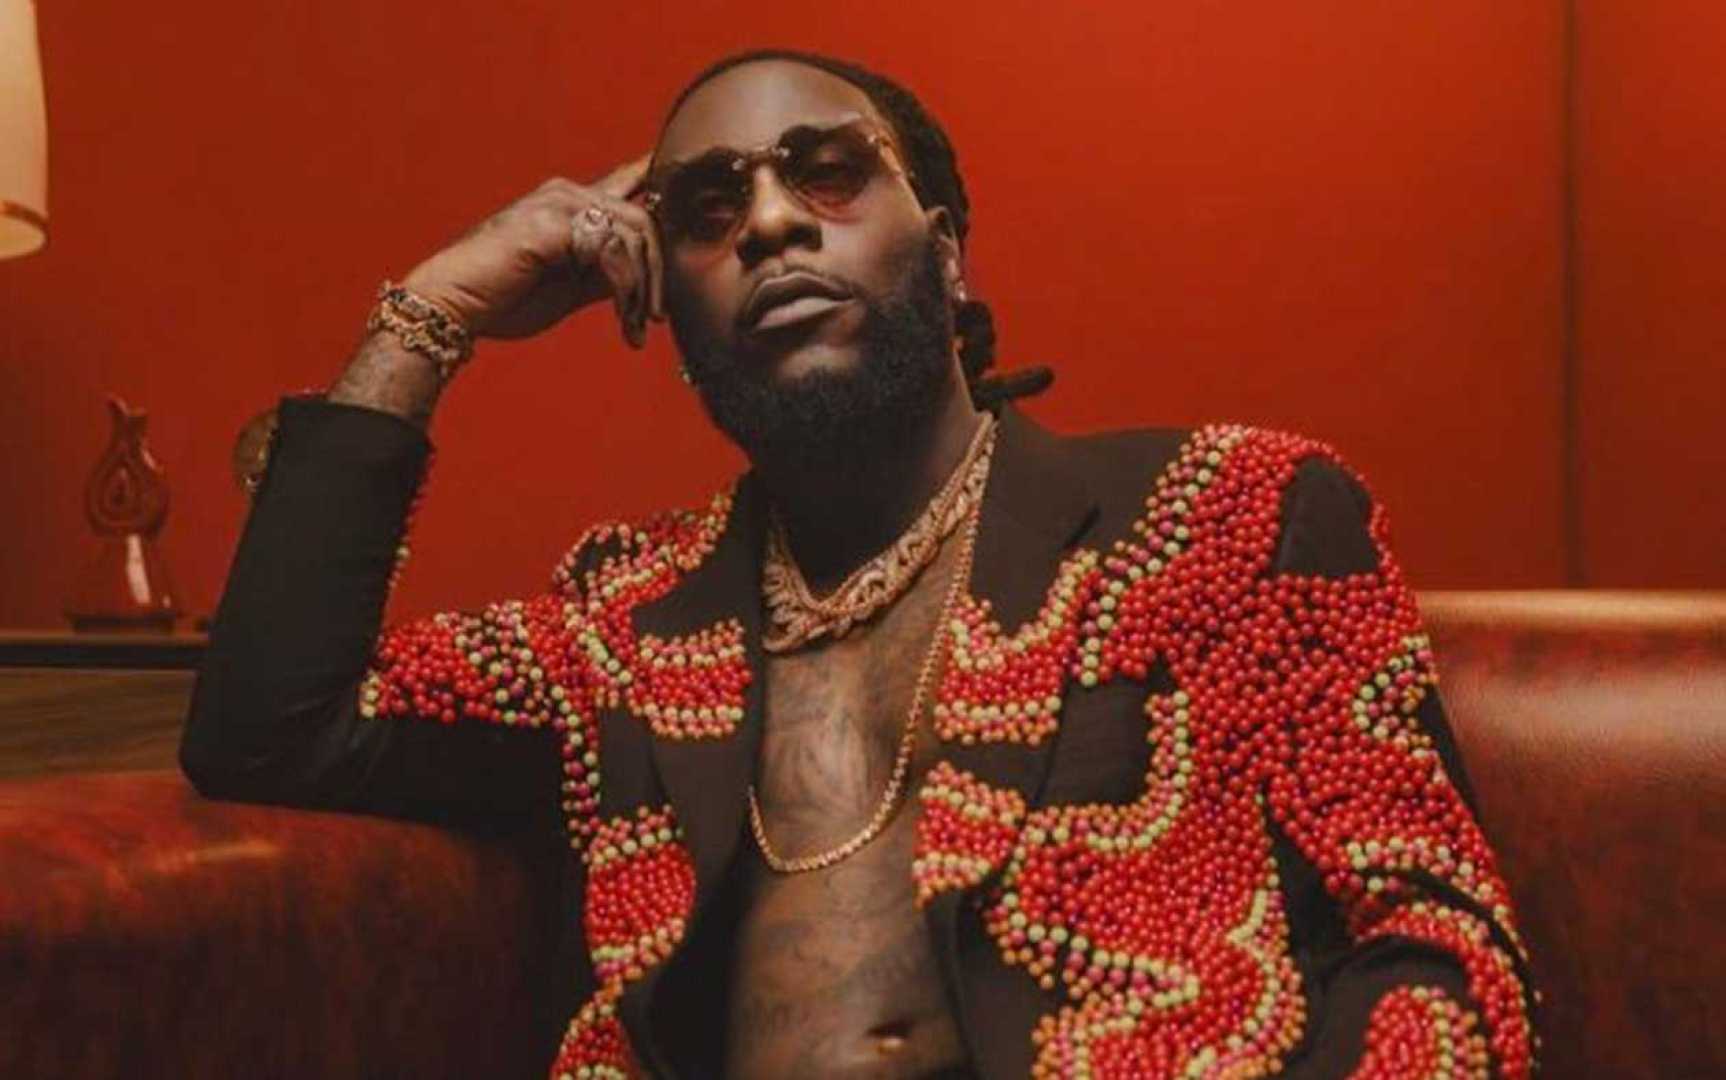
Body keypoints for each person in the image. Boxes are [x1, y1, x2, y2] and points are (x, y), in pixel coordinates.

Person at [181, 48, 1537, 1079]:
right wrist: (435, 309)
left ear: (945, 254)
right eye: (708, 206)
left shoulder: (1225, 514)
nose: (770, 223)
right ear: (662, 306)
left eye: (825, 171)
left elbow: (1434, 944)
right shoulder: (624, 624)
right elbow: (276, 731)